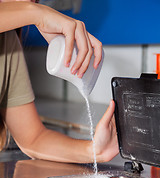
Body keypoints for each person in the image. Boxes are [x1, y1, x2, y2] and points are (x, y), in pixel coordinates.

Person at [0, 0, 119, 163]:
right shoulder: (33, 15)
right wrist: (37, 14)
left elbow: (33, 138)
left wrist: (96, 150)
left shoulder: (7, 42)